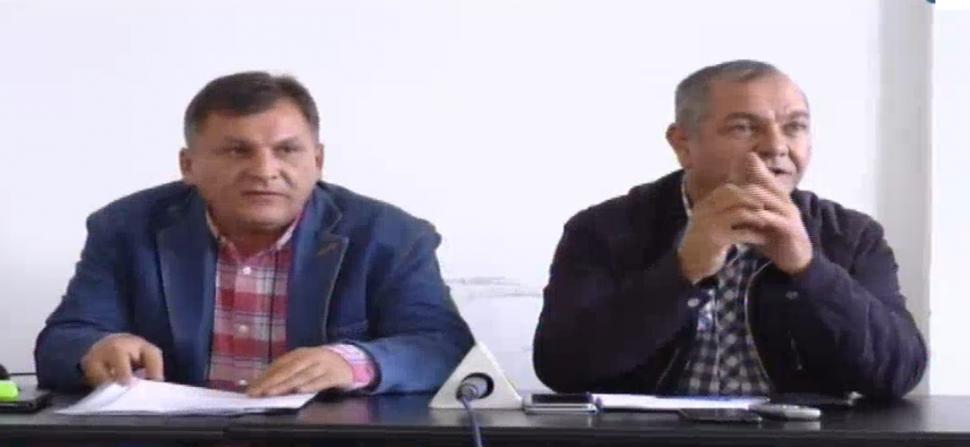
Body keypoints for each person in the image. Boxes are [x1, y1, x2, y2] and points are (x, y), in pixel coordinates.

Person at [35, 71, 473, 396]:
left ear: (318, 160)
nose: (265, 171)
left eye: (287, 150)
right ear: (188, 166)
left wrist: (353, 362)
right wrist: (98, 347)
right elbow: (63, 340)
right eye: (236, 151)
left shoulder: (391, 236)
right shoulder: (125, 228)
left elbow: (443, 347)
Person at [533, 60, 927, 399]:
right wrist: (682, 272)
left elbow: (897, 375)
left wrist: (809, 269)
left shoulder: (852, 235)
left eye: (794, 127)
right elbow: (562, 368)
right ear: (683, 144)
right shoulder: (603, 230)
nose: (776, 147)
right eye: (744, 128)